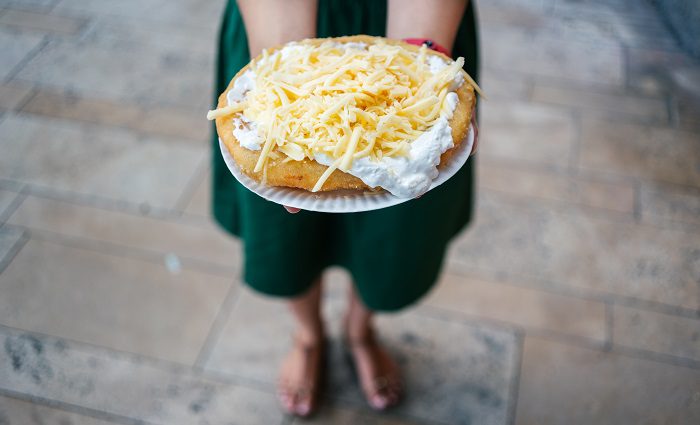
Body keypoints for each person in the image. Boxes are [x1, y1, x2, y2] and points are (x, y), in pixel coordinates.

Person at [211, 0, 479, 417]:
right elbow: (278, 69)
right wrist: (280, 65)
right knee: (285, 237)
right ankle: (307, 336)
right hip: (273, 20)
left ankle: (360, 331)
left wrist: (421, 56)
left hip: (420, 30)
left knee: (393, 238)